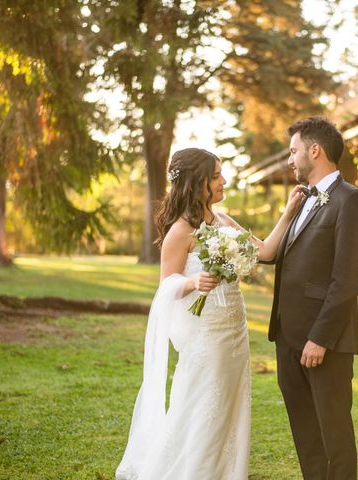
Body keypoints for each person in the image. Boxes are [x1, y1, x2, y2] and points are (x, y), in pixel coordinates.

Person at [116, 147, 305, 480]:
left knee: (232, 405)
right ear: (196, 182)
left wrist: (288, 212)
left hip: (235, 328)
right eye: (216, 176)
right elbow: (165, 287)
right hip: (208, 333)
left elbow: (265, 251)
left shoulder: (223, 220)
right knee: (204, 408)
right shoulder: (180, 230)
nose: (224, 181)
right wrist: (192, 282)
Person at [267, 117, 358, 480]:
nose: (291, 159)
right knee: (305, 433)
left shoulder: (351, 200)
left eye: (294, 151)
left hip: (323, 342)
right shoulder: (300, 201)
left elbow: (346, 280)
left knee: (334, 434)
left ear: (315, 150)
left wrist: (320, 338)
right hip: (287, 338)